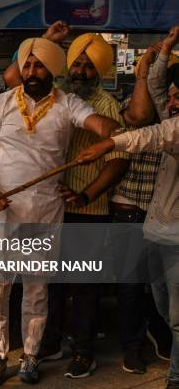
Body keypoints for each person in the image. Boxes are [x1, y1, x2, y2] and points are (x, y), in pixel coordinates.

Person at [0, 36, 121, 385]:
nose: (31, 72)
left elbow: (99, 125)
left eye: (38, 65)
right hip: (2, 211)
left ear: (53, 69)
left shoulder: (69, 105)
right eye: (27, 65)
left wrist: (113, 132)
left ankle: (31, 356)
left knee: (36, 290)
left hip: (45, 213)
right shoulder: (2, 103)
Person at [15, 28, 129, 378]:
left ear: (102, 72)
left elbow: (120, 156)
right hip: (52, 208)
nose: (79, 71)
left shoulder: (107, 107)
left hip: (86, 210)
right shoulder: (57, 98)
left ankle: (83, 352)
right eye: (76, 64)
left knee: (83, 288)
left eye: (89, 67)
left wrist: (87, 193)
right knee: (50, 282)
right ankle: (49, 342)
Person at [78, 25, 179, 389]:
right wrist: (159, 58)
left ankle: (169, 361)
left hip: (170, 228)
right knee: (142, 291)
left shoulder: (172, 126)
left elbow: (154, 131)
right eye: (173, 90)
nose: (173, 95)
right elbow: (146, 109)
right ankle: (141, 346)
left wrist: (111, 145)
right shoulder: (153, 111)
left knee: (168, 303)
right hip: (144, 219)